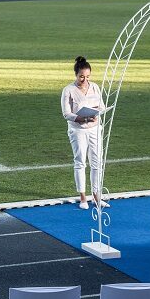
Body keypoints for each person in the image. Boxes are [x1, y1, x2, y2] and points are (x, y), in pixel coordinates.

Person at [60, 56, 107, 210]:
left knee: (97, 162)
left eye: (87, 76)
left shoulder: (95, 87)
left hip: (94, 128)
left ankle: (96, 196)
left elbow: (101, 105)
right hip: (77, 130)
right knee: (80, 161)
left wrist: (97, 113)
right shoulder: (68, 90)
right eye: (81, 76)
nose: (85, 79)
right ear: (76, 75)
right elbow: (66, 113)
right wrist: (79, 117)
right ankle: (82, 197)